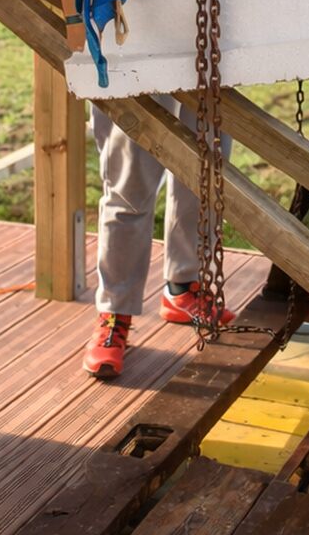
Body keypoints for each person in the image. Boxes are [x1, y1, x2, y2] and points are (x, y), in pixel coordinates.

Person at [83, 102, 234, 380]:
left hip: (209, 59)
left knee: (203, 177)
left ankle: (183, 286)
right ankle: (114, 311)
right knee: (128, 185)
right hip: (129, 62)